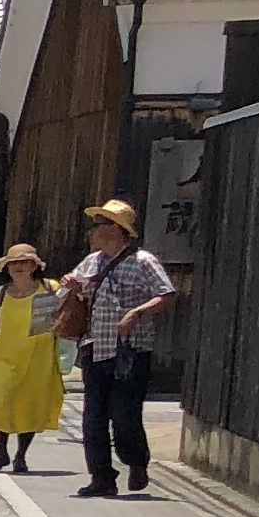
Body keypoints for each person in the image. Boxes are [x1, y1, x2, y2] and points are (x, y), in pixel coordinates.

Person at [63, 198, 173, 499]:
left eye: (99, 225)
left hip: (130, 349)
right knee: (93, 417)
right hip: (94, 346)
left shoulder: (143, 261)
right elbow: (70, 290)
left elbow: (165, 294)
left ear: (116, 229)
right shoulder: (91, 262)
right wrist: (71, 284)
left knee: (124, 415)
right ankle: (101, 477)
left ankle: (137, 462)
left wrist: (136, 313)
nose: (92, 232)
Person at [0, 243, 64, 472]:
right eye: (14, 264)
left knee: (29, 406)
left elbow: (71, 309)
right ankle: (1, 452)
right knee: (0, 403)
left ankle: (21, 456)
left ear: (34, 265)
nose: (19, 268)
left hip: (39, 359)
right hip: (4, 358)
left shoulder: (51, 288)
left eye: (24, 263)